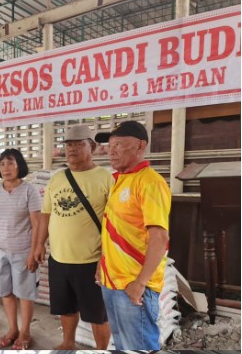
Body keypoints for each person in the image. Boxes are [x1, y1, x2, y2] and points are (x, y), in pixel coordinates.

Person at [32, 125, 113, 349]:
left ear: (93, 147)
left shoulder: (106, 178)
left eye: (79, 144)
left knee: (98, 314)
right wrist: (38, 244)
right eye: (68, 144)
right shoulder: (57, 179)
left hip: (90, 260)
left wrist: (104, 258)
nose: (72, 149)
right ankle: (68, 343)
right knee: (65, 307)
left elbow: (113, 224)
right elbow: (46, 215)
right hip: (59, 258)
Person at [94, 121, 171, 350]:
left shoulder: (150, 183)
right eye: (110, 145)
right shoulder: (120, 179)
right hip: (112, 282)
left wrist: (140, 283)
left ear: (140, 147)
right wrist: (103, 263)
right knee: (122, 344)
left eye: (119, 144)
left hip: (133, 286)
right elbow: (115, 230)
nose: (112, 151)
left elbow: (159, 238)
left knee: (137, 346)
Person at [0, 148, 41, 350]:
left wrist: (34, 252)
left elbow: (37, 223)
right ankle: (12, 329)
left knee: (24, 293)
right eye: (2, 164)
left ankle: (25, 332)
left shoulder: (29, 190)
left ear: (19, 166)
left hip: (23, 250)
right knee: (5, 292)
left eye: (10, 163)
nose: (5, 168)